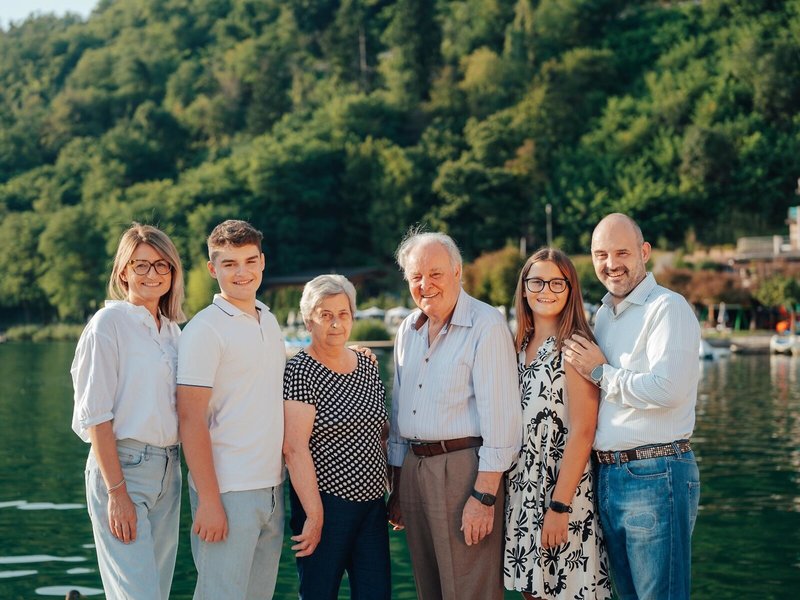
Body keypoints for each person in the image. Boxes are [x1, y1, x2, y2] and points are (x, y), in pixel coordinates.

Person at [563, 213, 701, 600]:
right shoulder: (604, 315)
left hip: (656, 473)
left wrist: (600, 372)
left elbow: (668, 390)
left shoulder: (667, 307)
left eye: (622, 253)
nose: (611, 264)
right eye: (601, 254)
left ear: (644, 252)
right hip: (608, 476)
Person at [387, 230, 522, 600]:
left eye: (435, 274)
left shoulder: (486, 324)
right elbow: (399, 411)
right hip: (414, 471)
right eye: (416, 276)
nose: (425, 284)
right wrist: (397, 485)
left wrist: (484, 497)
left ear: (457, 272)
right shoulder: (407, 330)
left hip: (464, 473)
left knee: (469, 590)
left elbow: (503, 422)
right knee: (428, 589)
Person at [71, 223, 185, 599]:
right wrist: (117, 493)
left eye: (161, 264)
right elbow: (95, 415)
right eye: (141, 265)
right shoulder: (108, 324)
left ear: (172, 271)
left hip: (170, 472)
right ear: (123, 272)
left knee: (156, 592)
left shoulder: (173, 332)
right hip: (123, 469)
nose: (152, 273)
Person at [177, 219, 285, 600]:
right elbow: (190, 418)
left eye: (250, 261)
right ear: (213, 269)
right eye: (229, 264)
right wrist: (209, 501)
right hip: (227, 491)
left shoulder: (269, 320)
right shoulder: (204, 330)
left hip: (273, 488)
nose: (242, 272)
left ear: (262, 262)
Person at [503, 248, 612, 600]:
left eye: (556, 283)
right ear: (523, 288)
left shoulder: (575, 348)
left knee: (566, 591)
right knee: (532, 592)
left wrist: (559, 507)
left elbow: (583, 431)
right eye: (536, 281)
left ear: (570, 289)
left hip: (562, 494)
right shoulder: (517, 347)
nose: (545, 290)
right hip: (522, 491)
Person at [283, 274, 391, 600]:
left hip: (372, 507)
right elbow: (294, 448)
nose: (335, 323)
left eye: (343, 314)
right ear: (308, 320)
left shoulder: (367, 365)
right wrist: (315, 516)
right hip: (325, 505)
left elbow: (381, 434)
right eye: (325, 315)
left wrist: (394, 490)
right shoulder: (300, 370)